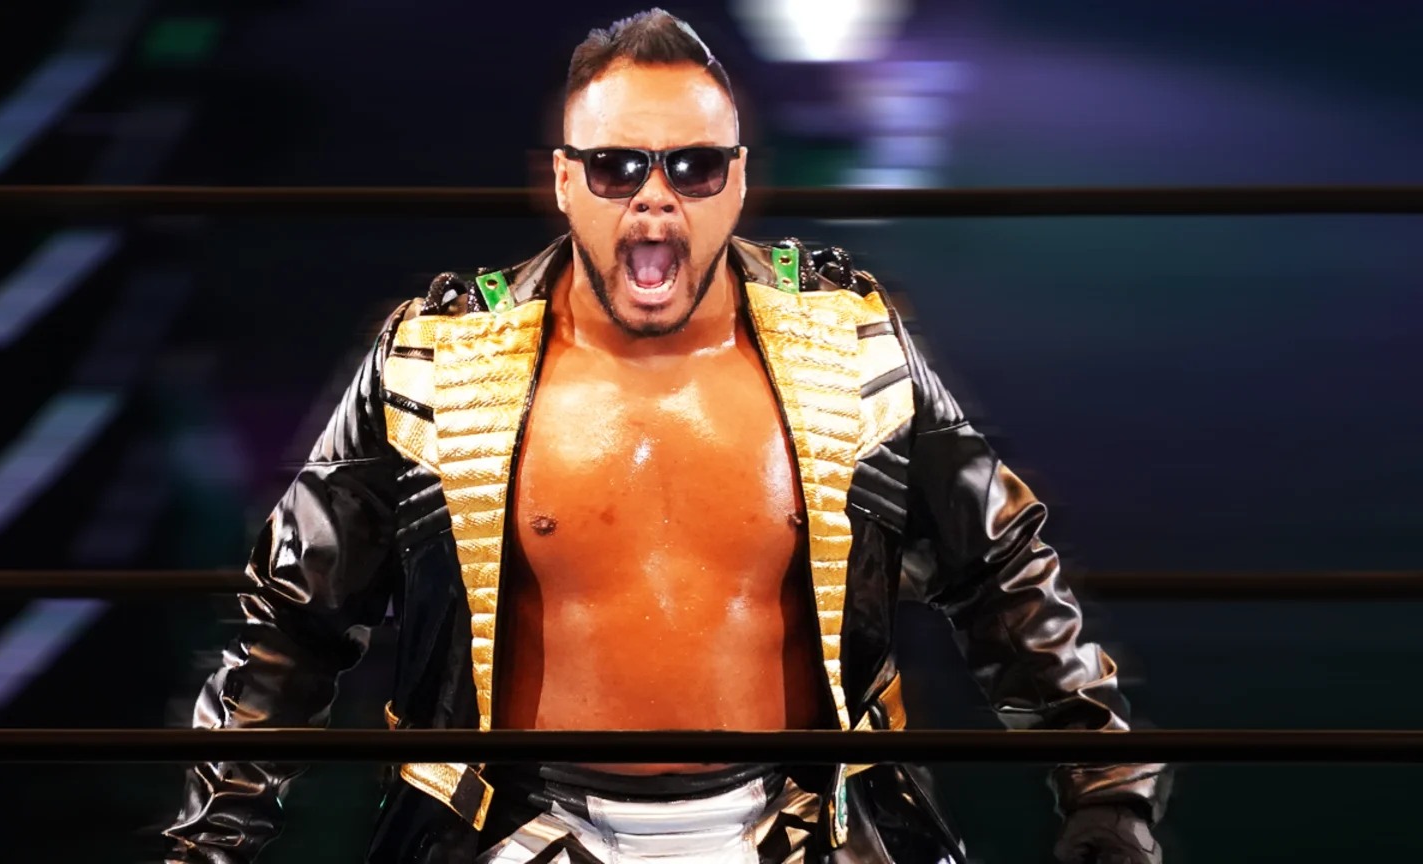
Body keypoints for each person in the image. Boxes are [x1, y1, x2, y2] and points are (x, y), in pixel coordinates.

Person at [163, 8, 1168, 864]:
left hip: (799, 830)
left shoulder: (849, 346)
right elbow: (293, 618)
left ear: (736, 182)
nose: (655, 197)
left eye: (692, 166)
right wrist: (216, 837)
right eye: (616, 168)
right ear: (564, 180)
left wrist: (1106, 789)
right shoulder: (435, 360)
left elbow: (1000, 572)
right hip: (518, 833)